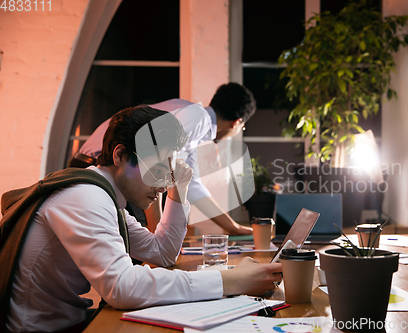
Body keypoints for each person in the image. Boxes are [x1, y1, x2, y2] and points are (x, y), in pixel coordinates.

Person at [1, 105, 282, 332]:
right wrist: (230, 281)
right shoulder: (86, 197)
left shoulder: (108, 200)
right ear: (121, 155)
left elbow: (162, 253)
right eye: (158, 169)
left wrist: (179, 189)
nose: (162, 184)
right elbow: (122, 287)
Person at [70, 83, 256, 235]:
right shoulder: (198, 117)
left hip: (99, 164)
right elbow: (152, 163)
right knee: (137, 246)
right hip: (104, 166)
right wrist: (157, 232)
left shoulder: (194, 119)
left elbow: (192, 185)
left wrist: (232, 227)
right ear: (237, 122)